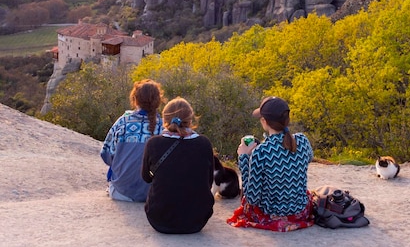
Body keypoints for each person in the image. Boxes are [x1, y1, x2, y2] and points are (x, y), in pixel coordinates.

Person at [227, 96, 315, 232]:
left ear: (264, 121)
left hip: (272, 213)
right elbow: (308, 158)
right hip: (300, 210)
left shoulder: (261, 152)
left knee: (249, 202)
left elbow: (252, 198)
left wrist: (244, 158)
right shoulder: (302, 140)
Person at [141, 97, 215, 234]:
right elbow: (209, 181)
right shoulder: (204, 143)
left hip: (159, 220)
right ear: (191, 120)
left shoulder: (153, 143)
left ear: (164, 120)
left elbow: (146, 177)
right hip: (197, 221)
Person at [100, 79, 164, 202]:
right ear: (158, 101)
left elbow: (106, 154)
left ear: (135, 99)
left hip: (121, 192)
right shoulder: (164, 127)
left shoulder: (123, 122)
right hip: (153, 194)